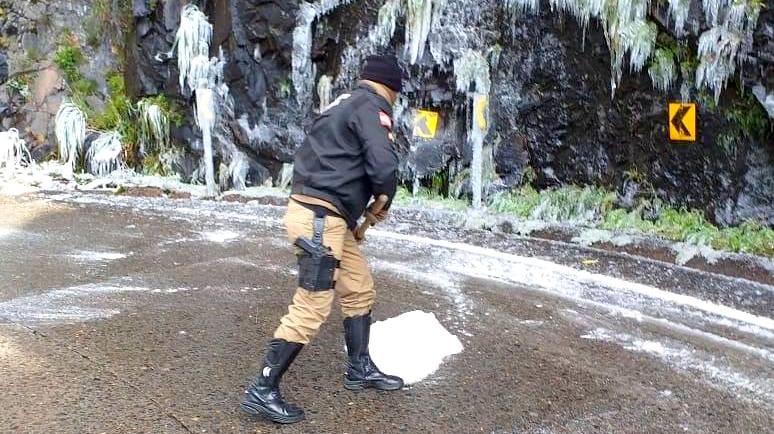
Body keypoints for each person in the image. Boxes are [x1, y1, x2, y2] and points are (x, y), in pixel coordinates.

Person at [240, 55, 405, 424]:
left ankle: (359, 369)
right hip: (320, 219)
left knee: (359, 287)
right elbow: (383, 165)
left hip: (327, 217)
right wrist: (383, 200)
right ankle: (262, 389)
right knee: (312, 304)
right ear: (392, 87)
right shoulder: (373, 106)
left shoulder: (343, 103)